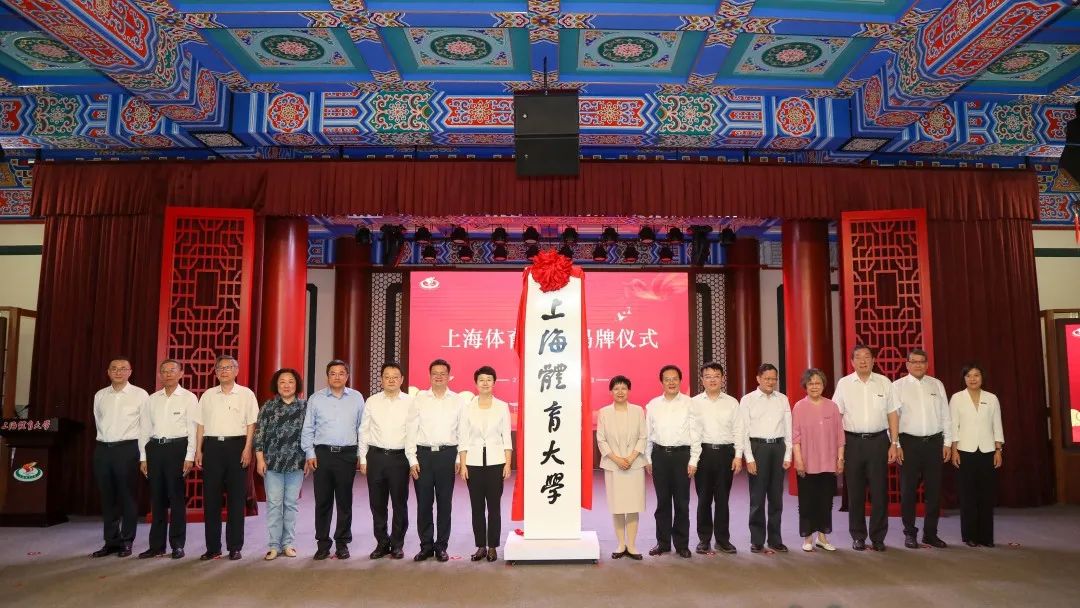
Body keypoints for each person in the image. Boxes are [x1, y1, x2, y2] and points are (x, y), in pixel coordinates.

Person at [832, 344, 899, 552]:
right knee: (855, 492)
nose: (863, 360)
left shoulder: (884, 382)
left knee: (879, 492)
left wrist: (894, 443)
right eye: (858, 357)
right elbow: (837, 416)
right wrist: (838, 448)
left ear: (873, 360)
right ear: (852, 362)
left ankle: (878, 537)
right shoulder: (844, 384)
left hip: (878, 442)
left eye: (867, 357)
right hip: (852, 442)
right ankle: (858, 536)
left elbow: (892, 414)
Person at [194, 354, 259, 561]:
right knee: (211, 500)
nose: (224, 371)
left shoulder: (246, 394)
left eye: (228, 367)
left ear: (236, 371)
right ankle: (213, 548)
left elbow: (251, 424)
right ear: (215, 372)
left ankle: (235, 546)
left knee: (236, 499)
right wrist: (198, 450)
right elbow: (200, 424)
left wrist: (247, 449)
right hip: (212, 447)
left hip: (237, 447)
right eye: (220, 368)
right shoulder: (208, 395)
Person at [301, 359, 365, 561]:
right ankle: (322, 544)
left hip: (347, 454)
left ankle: (342, 543)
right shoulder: (316, 398)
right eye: (333, 373)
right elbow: (308, 428)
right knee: (323, 501)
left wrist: (360, 454)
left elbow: (362, 428)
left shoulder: (356, 398)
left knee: (345, 501)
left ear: (347, 376)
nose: (337, 377)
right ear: (327, 376)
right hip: (323, 455)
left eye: (341, 373)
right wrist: (310, 453)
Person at [137, 358, 196, 560]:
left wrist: (189, 456)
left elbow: (193, 430)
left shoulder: (189, 398)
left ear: (181, 374)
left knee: (176, 498)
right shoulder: (152, 399)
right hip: (155, 449)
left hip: (177, 449)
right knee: (157, 499)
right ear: (160, 375)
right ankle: (156, 546)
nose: (168, 374)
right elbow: (144, 429)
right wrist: (143, 457)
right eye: (164, 371)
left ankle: (177, 544)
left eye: (172, 370)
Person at [91, 357, 149, 558]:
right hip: (103, 449)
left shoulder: (140, 394)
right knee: (107, 497)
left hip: (128, 449)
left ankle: (126, 541)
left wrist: (143, 456)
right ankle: (111, 541)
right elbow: (98, 421)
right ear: (108, 372)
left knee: (127, 496)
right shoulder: (100, 395)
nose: (118, 372)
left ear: (130, 372)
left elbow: (145, 427)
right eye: (114, 368)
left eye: (123, 368)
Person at [893, 348, 951, 549]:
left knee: (934, 492)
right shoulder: (897, 387)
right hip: (908, 444)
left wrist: (947, 442)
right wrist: (896, 444)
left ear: (927, 365)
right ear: (907, 365)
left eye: (921, 362)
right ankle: (910, 533)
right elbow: (892, 418)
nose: (918, 365)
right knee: (908, 492)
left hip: (934, 443)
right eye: (914, 361)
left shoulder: (937, 384)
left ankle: (930, 534)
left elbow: (945, 415)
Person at [407, 359, 464, 562]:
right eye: (435, 373)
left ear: (449, 376)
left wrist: (458, 457)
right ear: (429, 376)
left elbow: (462, 431)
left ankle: (441, 546)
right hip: (423, 456)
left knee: (444, 503)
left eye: (443, 373)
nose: (439, 376)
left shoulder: (457, 400)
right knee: (424, 504)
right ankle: (425, 546)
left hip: (447, 456)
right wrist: (412, 459)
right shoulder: (419, 399)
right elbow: (410, 430)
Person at [458, 365, 512, 562]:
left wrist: (507, 463)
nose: (485, 383)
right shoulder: (467, 407)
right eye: (481, 380)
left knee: (494, 507)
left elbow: (506, 437)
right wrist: (463, 464)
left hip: (496, 463)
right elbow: (463, 438)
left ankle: (493, 547)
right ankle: (480, 546)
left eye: (489, 379)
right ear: (476, 383)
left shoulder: (502, 406)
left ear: (494, 383)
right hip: (473, 463)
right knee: (477, 507)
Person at [645, 364, 699, 559]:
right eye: (667, 379)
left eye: (674, 379)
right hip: (659, 456)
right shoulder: (653, 405)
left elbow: (696, 434)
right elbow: (648, 434)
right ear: (661, 382)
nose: (671, 382)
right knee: (663, 502)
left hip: (682, 457)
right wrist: (648, 458)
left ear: (680, 381)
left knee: (682, 503)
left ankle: (682, 544)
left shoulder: (690, 403)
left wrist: (694, 460)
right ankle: (663, 543)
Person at [736, 363, 792, 553]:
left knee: (776, 498)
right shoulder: (748, 400)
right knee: (757, 497)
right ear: (758, 379)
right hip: (757, 447)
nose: (770, 382)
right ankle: (757, 540)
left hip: (778, 447)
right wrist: (749, 458)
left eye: (773, 379)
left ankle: (775, 539)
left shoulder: (782, 399)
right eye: (767, 378)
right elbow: (743, 430)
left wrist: (788, 453)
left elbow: (788, 428)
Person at [360, 362, 413, 560]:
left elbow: (413, 433)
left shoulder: (410, 402)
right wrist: (363, 458)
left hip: (400, 459)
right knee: (377, 504)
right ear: (381, 380)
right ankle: (382, 543)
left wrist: (412, 459)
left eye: (395, 376)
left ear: (402, 379)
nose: (391, 380)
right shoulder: (372, 401)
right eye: (387, 377)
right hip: (376, 457)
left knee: (400, 503)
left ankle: (397, 544)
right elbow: (364, 430)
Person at [254, 368, 307, 561]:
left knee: (291, 504)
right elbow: (259, 435)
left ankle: (288, 544)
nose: (286, 385)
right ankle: (274, 545)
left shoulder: (304, 407)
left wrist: (309, 458)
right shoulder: (268, 407)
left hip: (296, 463)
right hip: (272, 464)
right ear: (276, 385)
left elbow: (310, 434)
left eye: (290, 381)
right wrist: (260, 459)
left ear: (297, 385)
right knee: (274, 504)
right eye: (282, 381)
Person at [949, 364, 1004, 548]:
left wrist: (998, 449)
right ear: (964, 379)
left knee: (986, 495)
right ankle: (970, 535)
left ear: (982, 377)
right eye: (969, 376)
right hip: (964, 451)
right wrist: (954, 450)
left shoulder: (992, 398)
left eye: (976, 375)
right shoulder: (957, 398)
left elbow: (997, 425)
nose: (972, 379)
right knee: (967, 495)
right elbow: (953, 425)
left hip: (988, 451)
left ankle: (986, 537)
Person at [690, 362, 742, 555]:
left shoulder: (732, 402)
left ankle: (722, 540)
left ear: (722, 378)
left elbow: (739, 430)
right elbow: (692, 433)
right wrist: (693, 459)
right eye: (708, 376)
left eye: (716, 376)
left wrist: (738, 456)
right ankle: (704, 540)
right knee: (703, 499)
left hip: (725, 454)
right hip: (703, 454)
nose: (712, 380)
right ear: (702, 380)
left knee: (722, 499)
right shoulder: (694, 403)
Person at [791, 368, 844, 553]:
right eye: (811, 383)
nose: (814, 386)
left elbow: (840, 436)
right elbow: (795, 437)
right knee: (807, 501)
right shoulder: (799, 407)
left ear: (823, 385)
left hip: (828, 462)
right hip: (807, 462)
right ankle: (807, 537)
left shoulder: (832, 406)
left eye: (818, 383)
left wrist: (840, 458)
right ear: (805, 386)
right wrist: (798, 460)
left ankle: (822, 537)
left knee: (826, 501)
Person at [596, 375, 647, 560]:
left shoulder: (638, 411)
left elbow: (643, 436)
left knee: (633, 506)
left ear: (629, 391)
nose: (620, 392)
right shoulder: (604, 413)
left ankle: (632, 545)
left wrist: (631, 458)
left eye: (624, 388)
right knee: (617, 506)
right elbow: (601, 439)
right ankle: (620, 544)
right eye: (616, 388)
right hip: (613, 465)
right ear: (611, 391)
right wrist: (617, 459)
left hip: (635, 465)